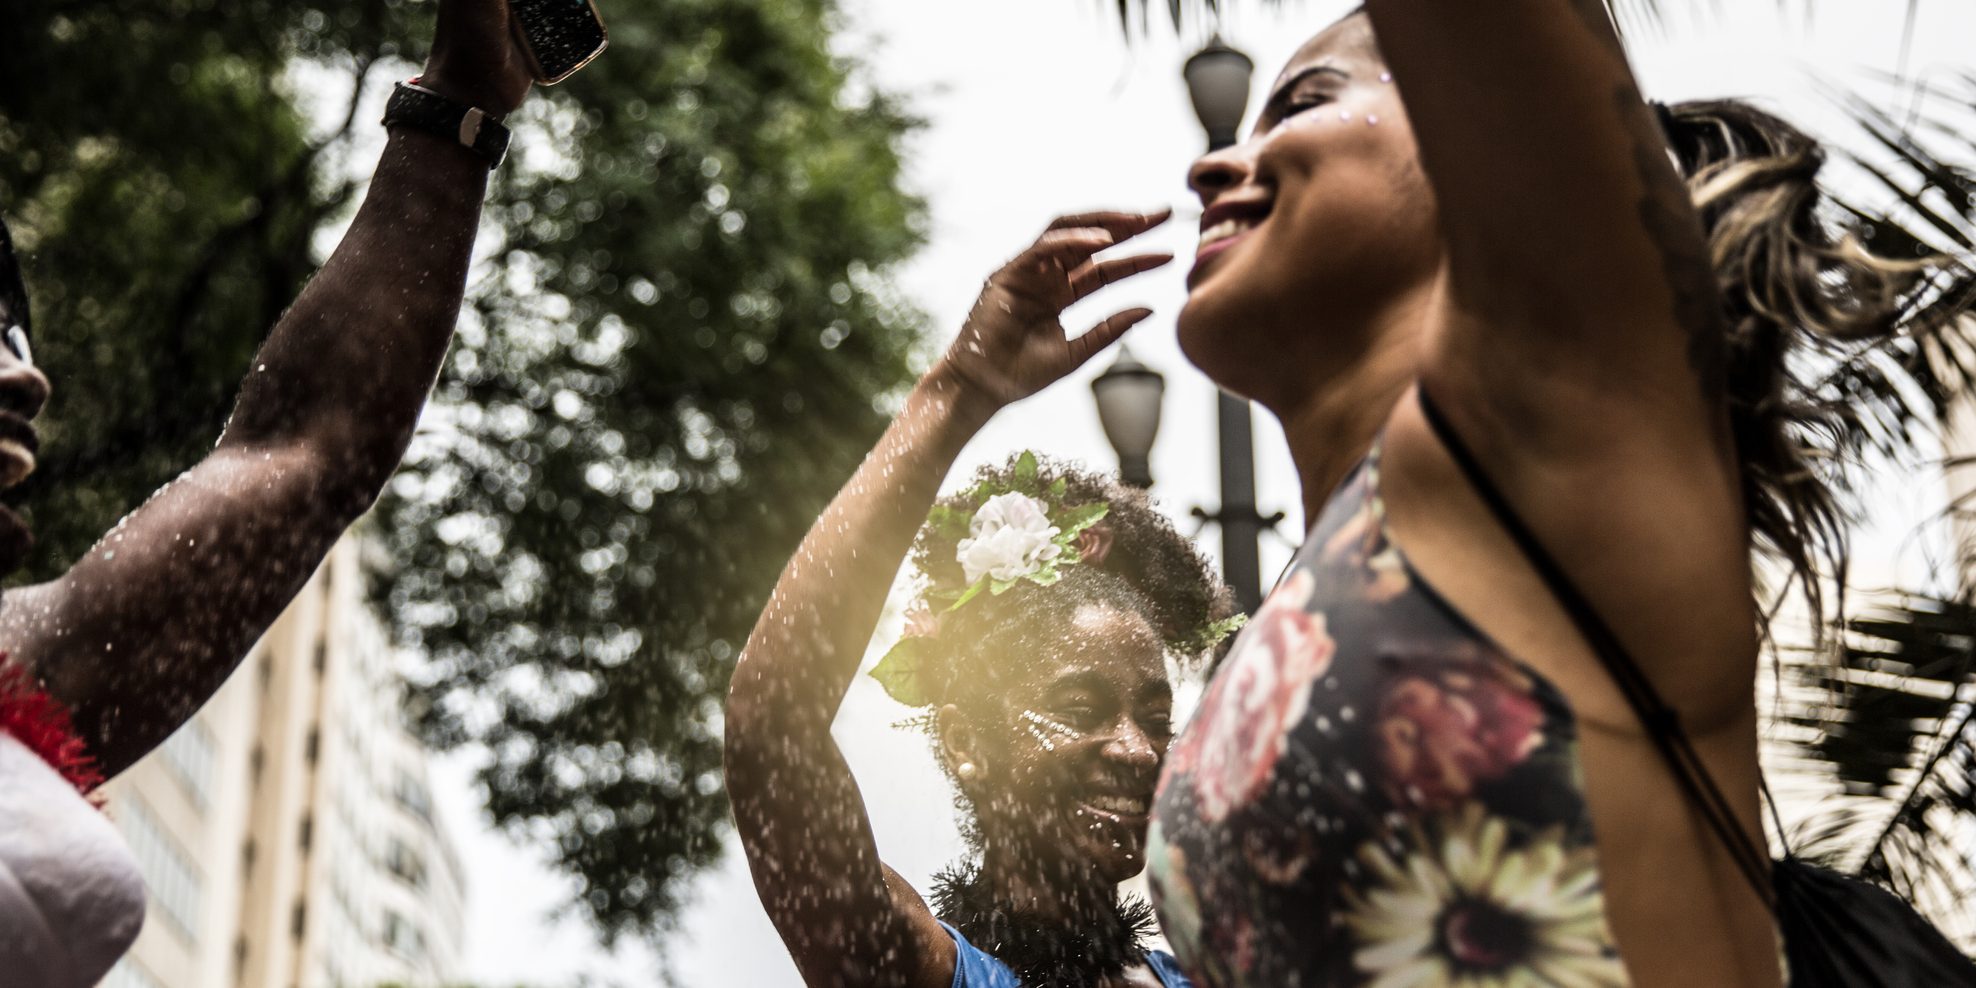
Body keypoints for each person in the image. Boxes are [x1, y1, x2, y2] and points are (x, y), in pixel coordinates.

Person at [1141, 4, 1965, 987]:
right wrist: (959, 394)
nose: (1212, 165)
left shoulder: (1557, 425)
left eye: (1302, 105)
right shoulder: (1301, 611)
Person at [0, 1, 541, 983]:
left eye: (17, 336)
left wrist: (460, 102)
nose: (25, 378)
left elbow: (308, 450)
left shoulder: (15, 674)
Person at [725, 214, 1237, 988]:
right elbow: (772, 730)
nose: (1137, 750)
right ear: (967, 742)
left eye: (1158, 721)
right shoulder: (926, 972)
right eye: (1081, 705)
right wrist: (959, 391)